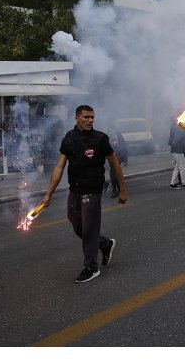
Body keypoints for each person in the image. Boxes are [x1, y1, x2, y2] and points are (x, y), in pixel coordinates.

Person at [41, 105, 127, 283]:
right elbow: (59, 167)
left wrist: (123, 190)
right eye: (86, 117)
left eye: (92, 118)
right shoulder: (69, 139)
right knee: (77, 225)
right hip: (75, 190)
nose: (90, 120)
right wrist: (48, 193)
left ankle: (91, 267)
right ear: (77, 118)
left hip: (92, 191)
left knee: (89, 230)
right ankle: (105, 243)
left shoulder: (100, 139)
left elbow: (115, 164)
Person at [168, 121, 185, 190]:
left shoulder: (174, 128)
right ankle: (184, 183)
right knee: (182, 166)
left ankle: (172, 183)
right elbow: (184, 135)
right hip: (178, 150)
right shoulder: (177, 130)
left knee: (177, 167)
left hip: (175, 150)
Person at [108, 124, 128, 198]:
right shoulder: (107, 138)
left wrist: (125, 160)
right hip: (111, 157)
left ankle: (120, 190)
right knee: (113, 174)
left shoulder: (119, 136)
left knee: (118, 174)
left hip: (119, 157)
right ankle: (114, 191)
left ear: (115, 130)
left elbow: (125, 148)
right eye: (110, 130)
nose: (111, 132)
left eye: (112, 130)